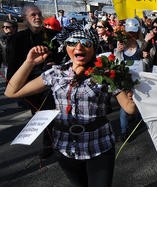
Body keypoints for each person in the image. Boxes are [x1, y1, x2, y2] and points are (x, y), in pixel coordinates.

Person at [4, 22, 137, 186]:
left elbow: (129, 109)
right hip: (65, 147)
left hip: (99, 146)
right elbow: (11, 92)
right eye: (72, 42)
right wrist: (29, 62)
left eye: (86, 43)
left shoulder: (106, 73)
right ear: (65, 46)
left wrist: (131, 92)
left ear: (94, 48)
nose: (78, 47)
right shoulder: (56, 73)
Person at [7, 4, 63, 159]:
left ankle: (54, 142)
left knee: (56, 112)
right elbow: (12, 64)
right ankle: (49, 143)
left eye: (39, 14)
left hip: (53, 82)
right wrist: (14, 86)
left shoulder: (54, 35)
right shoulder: (17, 39)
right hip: (31, 83)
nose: (37, 17)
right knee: (40, 115)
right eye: (33, 15)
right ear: (25, 19)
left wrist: (55, 62)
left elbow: (64, 55)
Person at [114, 18, 144, 142]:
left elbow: (149, 59)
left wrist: (146, 56)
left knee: (139, 102)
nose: (132, 35)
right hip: (126, 80)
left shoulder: (141, 44)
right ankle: (124, 131)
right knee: (124, 107)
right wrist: (117, 52)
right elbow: (116, 62)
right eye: (129, 33)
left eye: (134, 33)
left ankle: (137, 118)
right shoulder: (121, 45)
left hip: (140, 80)